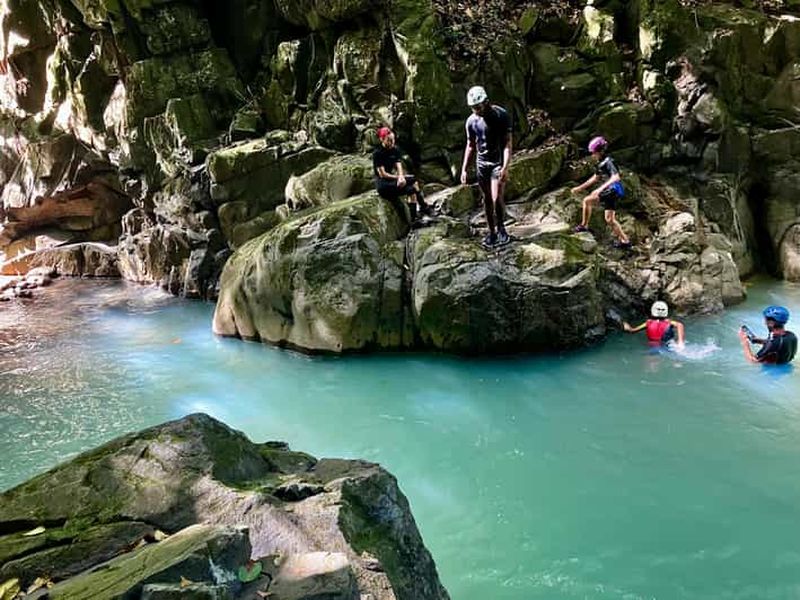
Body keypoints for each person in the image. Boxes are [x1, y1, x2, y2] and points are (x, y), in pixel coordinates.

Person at [460, 85, 512, 249]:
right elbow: (470, 145)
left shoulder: (500, 115)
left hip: (497, 161)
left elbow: (507, 143)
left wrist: (505, 167)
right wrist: (464, 169)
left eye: (478, 107)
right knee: (487, 199)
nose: (476, 110)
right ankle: (491, 232)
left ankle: (502, 228)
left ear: (486, 102)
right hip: (482, 163)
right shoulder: (471, 121)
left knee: (497, 197)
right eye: (473, 108)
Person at [571, 136, 632, 250]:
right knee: (609, 219)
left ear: (600, 151)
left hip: (613, 189)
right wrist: (579, 188)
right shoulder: (601, 163)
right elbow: (595, 178)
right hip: (613, 190)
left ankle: (584, 226)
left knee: (587, 201)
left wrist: (599, 189)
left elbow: (616, 177)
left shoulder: (609, 161)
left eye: (593, 153)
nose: (592, 155)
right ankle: (625, 241)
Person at [373, 126, 432, 226]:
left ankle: (415, 217)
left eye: (393, 140)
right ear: (382, 139)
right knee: (411, 184)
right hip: (383, 184)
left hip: (392, 180)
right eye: (389, 140)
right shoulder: (377, 153)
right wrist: (399, 178)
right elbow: (382, 174)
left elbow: (398, 165)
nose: (392, 142)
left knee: (412, 186)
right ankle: (423, 208)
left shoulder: (395, 150)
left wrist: (401, 176)